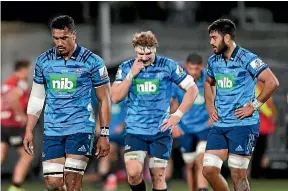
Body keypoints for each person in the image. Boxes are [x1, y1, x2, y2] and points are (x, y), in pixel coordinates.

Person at [22, 15, 111, 191]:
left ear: (73, 35)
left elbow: (104, 99)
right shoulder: (43, 61)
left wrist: (104, 134)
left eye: (64, 38)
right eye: (55, 38)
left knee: (72, 181)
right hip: (53, 129)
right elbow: (38, 97)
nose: (59, 43)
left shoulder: (92, 61)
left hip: (80, 127)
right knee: (53, 184)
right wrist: (29, 129)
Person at [111, 31, 199, 191]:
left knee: (158, 177)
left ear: (155, 49)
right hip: (135, 131)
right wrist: (131, 74)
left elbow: (192, 90)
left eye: (148, 53)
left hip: (161, 131)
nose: (144, 58)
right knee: (133, 173)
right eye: (140, 53)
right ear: (134, 50)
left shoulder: (168, 65)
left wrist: (177, 115)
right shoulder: (126, 67)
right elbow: (116, 97)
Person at [203, 19, 279, 191]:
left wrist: (253, 106)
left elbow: (272, 82)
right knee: (208, 170)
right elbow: (208, 83)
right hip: (220, 124)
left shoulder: (248, 58)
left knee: (238, 174)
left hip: (243, 124)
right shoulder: (213, 61)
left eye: (214, 38)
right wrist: (210, 107)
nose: (211, 42)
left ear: (227, 38)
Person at [171, 53, 210, 191]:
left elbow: (218, 97)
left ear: (201, 67)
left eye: (197, 69)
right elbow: (173, 104)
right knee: (190, 165)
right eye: (191, 68)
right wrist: (173, 124)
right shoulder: (178, 81)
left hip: (205, 127)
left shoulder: (210, 78)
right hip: (185, 128)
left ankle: (202, 189)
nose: (194, 72)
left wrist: (215, 115)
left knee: (202, 160)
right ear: (186, 67)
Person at [1, 59, 33, 191]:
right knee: (28, 154)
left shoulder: (7, 81)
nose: (30, 72)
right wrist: (20, 114)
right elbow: (12, 97)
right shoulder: (20, 82)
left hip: (3, 122)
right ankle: (16, 186)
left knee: (1, 154)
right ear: (23, 69)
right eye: (29, 69)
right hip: (13, 125)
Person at [91, 83, 127, 191]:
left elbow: (132, 112)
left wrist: (122, 125)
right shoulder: (105, 97)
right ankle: (103, 178)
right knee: (107, 153)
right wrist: (98, 125)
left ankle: (127, 177)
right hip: (111, 134)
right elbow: (101, 111)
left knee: (127, 157)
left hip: (126, 133)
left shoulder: (126, 96)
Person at [250, 81, 277, 178]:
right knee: (255, 151)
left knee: (260, 150)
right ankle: (254, 173)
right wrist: (271, 115)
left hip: (264, 126)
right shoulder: (255, 89)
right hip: (257, 125)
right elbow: (262, 106)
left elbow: (270, 105)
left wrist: (273, 114)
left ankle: (256, 172)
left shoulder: (264, 90)